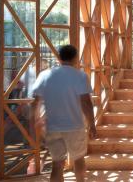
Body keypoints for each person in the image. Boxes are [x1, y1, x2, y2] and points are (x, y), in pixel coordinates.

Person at [31, 45, 96, 182]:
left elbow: (36, 101)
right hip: (75, 126)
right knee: (78, 159)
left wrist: (36, 120)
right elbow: (86, 103)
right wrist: (92, 124)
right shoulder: (80, 76)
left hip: (53, 126)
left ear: (58, 57)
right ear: (75, 58)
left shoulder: (45, 75)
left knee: (57, 164)